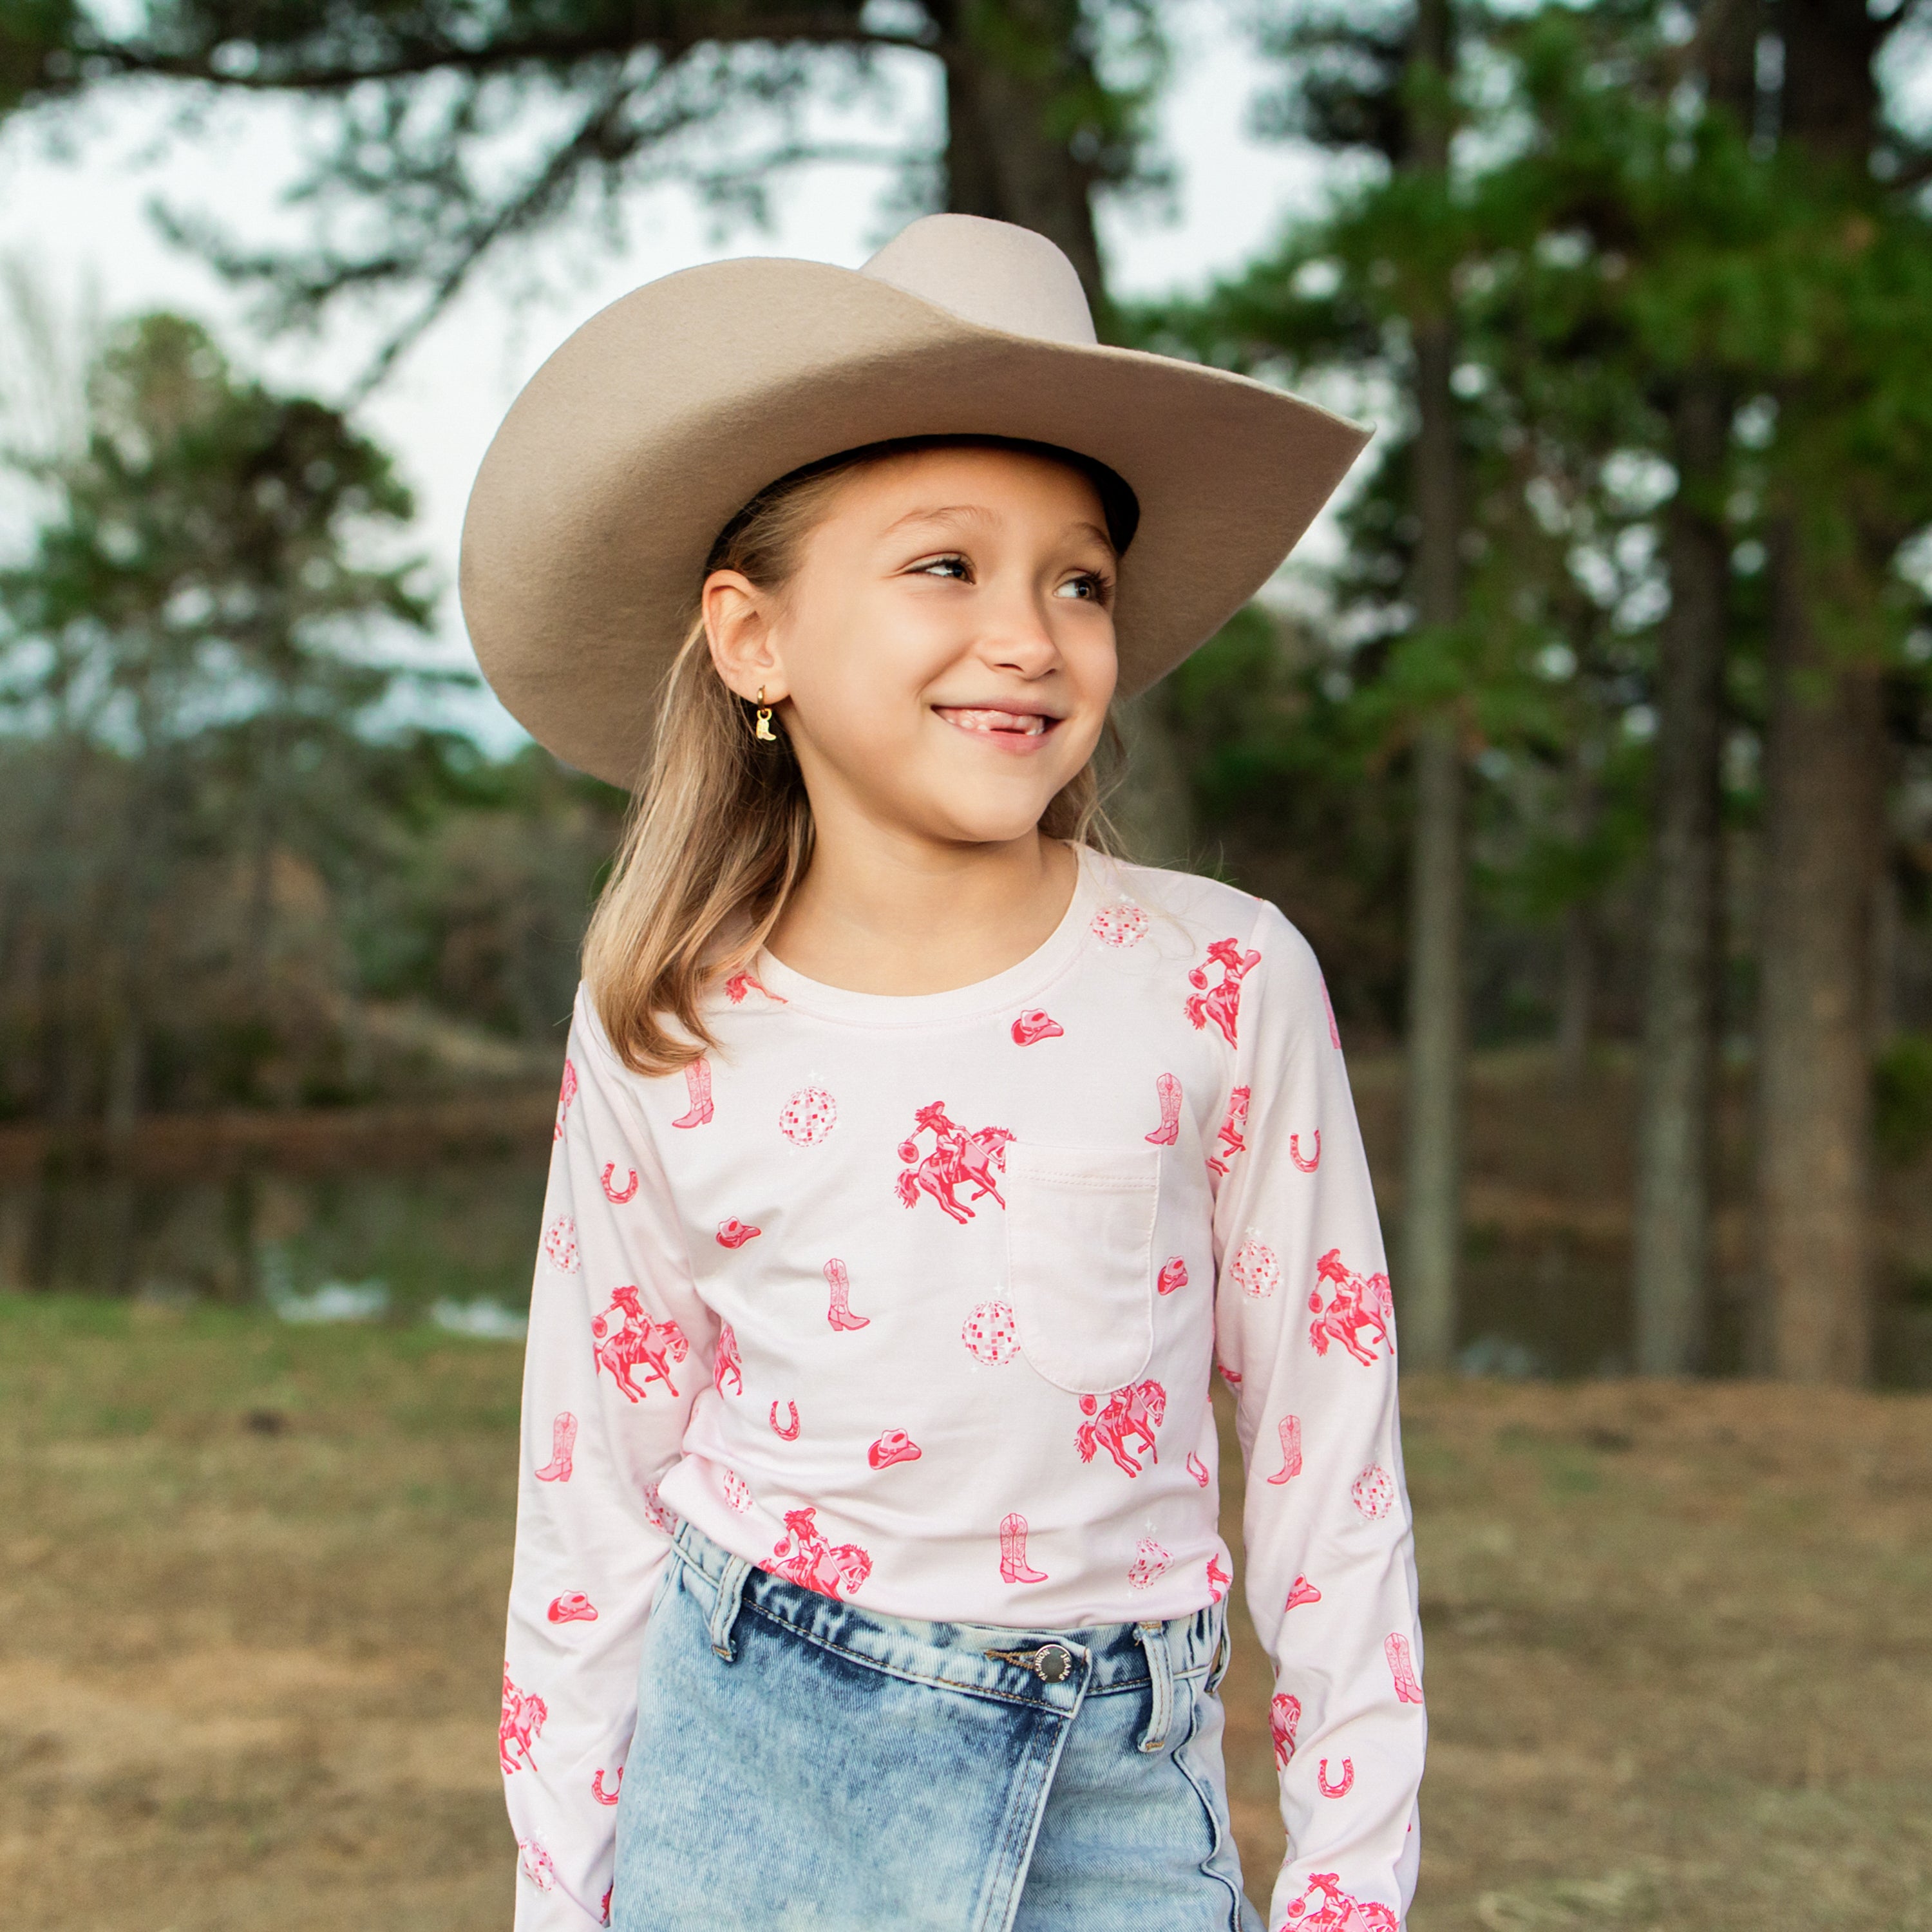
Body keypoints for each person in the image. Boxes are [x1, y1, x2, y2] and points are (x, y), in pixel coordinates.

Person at [462, 213, 1424, 1932]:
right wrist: (565, 1889)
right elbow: (594, 1491)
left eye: (1080, 578)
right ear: (755, 641)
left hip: (1119, 1800)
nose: (1030, 634)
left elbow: (1329, 1462)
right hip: (751, 1778)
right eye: (944, 565)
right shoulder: (668, 1020)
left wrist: (1351, 1891)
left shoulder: (1218, 982)